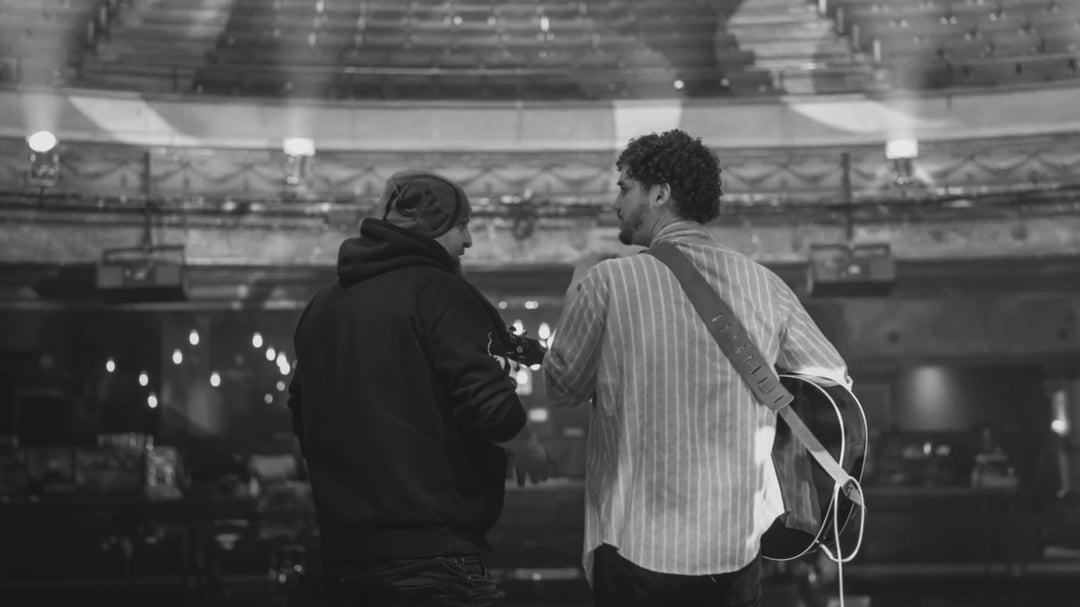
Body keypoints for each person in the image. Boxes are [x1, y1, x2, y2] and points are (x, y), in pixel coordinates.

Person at [543, 129, 852, 607]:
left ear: (660, 194)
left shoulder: (608, 281)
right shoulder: (765, 284)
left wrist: (574, 291)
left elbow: (562, 386)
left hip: (635, 542)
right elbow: (833, 379)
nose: (616, 202)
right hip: (736, 546)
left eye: (625, 188)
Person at [287, 169, 551, 607]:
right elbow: (485, 396)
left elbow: (301, 412)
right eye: (462, 226)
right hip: (434, 559)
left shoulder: (323, 305)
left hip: (344, 561)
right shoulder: (439, 292)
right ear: (435, 226)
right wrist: (527, 446)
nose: (469, 241)